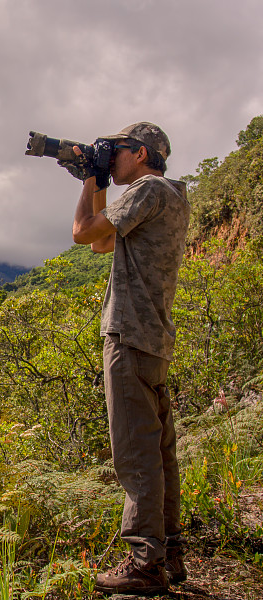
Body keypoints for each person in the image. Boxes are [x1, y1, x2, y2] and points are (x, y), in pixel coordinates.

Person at [65, 122, 191, 595]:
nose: (111, 158)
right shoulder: (171, 195)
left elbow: (82, 233)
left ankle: (144, 561)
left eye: (116, 152)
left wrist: (88, 181)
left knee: (136, 453)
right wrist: (97, 179)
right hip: (154, 338)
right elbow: (102, 242)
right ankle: (169, 551)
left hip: (130, 335)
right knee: (160, 454)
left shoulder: (147, 189)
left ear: (140, 154)